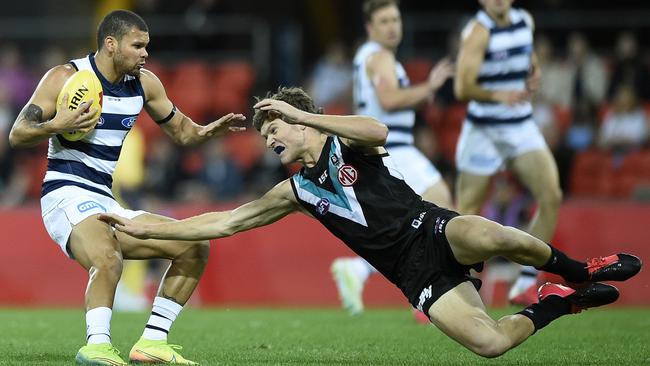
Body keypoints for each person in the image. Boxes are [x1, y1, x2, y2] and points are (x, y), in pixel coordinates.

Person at [99, 86, 642, 358]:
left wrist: (304, 115)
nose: (268, 141)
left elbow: (379, 129)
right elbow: (223, 223)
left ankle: (578, 268)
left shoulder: (342, 140)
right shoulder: (297, 190)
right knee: (491, 345)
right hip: (411, 273)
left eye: (273, 130)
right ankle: (559, 300)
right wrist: (149, 229)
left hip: (431, 227)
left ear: (296, 122)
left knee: (490, 234)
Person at [9, 10, 245, 366]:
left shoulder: (145, 84)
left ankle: (152, 342)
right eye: (137, 46)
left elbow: (182, 131)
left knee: (195, 245)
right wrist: (58, 123)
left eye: (146, 46)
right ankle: (97, 345)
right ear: (111, 44)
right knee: (107, 256)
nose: (145, 53)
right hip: (64, 193)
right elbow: (17, 134)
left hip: (105, 199)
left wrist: (205, 132)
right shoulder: (65, 77)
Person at [331, 0, 455, 316]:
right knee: (443, 207)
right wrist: (430, 86)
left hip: (383, 148)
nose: (392, 26)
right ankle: (435, 292)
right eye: (384, 21)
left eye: (396, 19)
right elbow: (389, 99)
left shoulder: (365, 57)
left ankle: (362, 270)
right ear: (370, 28)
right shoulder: (381, 56)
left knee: (413, 221)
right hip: (394, 146)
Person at [454, 0, 562, 305]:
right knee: (466, 212)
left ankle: (526, 282)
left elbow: (530, 57)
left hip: (518, 126)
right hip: (483, 131)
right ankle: (449, 287)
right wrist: (497, 94)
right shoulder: (478, 31)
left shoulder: (524, 21)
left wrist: (535, 72)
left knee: (551, 195)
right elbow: (462, 87)